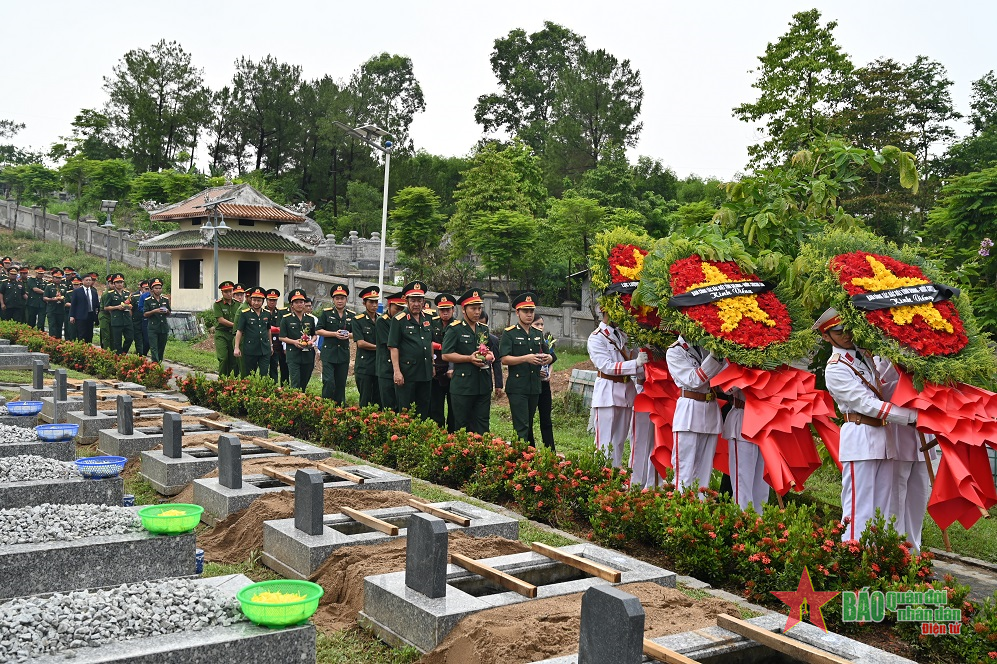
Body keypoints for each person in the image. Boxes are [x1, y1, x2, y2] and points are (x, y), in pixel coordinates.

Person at [816, 307, 916, 541]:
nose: (846, 335)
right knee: (858, 508)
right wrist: (910, 417)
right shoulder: (835, 367)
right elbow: (866, 404)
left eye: (848, 329)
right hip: (860, 436)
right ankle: (852, 555)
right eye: (838, 332)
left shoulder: (864, 355)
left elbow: (884, 384)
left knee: (882, 508)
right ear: (826, 336)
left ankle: (875, 555)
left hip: (883, 437)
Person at [666, 334, 725, 497]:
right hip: (689, 413)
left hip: (711, 412)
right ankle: (680, 508)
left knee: (704, 473)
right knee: (684, 471)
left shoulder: (707, 346)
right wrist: (715, 358)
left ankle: (699, 508)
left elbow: (721, 378)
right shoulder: (675, 351)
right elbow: (694, 380)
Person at [588, 306, 647, 467]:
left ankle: (614, 476)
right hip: (607, 393)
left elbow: (637, 363)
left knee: (619, 443)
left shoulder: (623, 335)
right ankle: (601, 477)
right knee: (604, 443)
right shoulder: (596, 337)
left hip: (626, 393)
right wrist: (635, 364)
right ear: (607, 311)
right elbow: (606, 366)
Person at [500, 293, 551, 444]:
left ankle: (525, 453)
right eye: (525, 311)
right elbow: (504, 359)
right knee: (521, 426)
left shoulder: (537, 333)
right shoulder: (510, 333)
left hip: (534, 385)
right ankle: (519, 455)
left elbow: (548, 353)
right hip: (517, 386)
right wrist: (525, 358)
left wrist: (548, 358)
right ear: (517, 312)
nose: (529, 314)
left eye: (531, 311)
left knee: (528, 424)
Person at [443, 289, 493, 434]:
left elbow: (485, 349)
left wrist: (489, 355)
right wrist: (468, 358)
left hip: (483, 383)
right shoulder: (455, 329)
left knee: (482, 424)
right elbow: (446, 354)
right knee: (462, 425)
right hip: (463, 385)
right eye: (473, 309)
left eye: (479, 308)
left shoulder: (483, 329)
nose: (477, 312)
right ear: (464, 310)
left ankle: (482, 448)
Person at [388, 281, 433, 418]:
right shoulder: (399, 320)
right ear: (406, 301)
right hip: (407, 373)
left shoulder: (428, 318)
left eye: (419, 300)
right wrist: (397, 371)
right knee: (405, 411)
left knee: (423, 409)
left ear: (424, 301)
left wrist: (432, 364)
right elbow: (393, 346)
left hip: (425, 372)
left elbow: (429, 342)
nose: (416, 304)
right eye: (413, 300)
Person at [723, 385, 768, 512]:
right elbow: (725, 388)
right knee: (743, 482)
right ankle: (743, 520)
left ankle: (759, 520)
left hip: (765, 420)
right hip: (743, 416)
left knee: (762, 484)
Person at [316, 283, 353, 403]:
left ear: (346, 299)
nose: (340, 301)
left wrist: (348, 335)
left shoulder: (351, 315)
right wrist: (334, 334)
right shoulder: (326, 313)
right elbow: (318, 330)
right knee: (328, 381)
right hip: (329, 353)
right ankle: (325, 405)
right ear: (333, 299)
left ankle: (339, 407)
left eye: (342, 298)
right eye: (337, 298)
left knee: (341, 383)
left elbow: (357, 333)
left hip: (343, 353)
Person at [279, 288, 318, 390]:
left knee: (304, 381)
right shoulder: (286, 319)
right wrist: (294, 342)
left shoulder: (310, 319)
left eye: (301, 302)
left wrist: (311, 341)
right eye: (296, 302)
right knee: (295, 382)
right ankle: (295, 399)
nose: (299, 304)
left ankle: (302, 397)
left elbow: (314, 334)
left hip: (307, 353)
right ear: (292, 305)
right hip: (293, 354)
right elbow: (282, 337)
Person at [430, 293, 458, 430]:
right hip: (436, 369)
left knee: (454, 406)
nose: (445, 312)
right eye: (442, 310)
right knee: (436, 406)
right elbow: (427, 342)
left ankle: (452, 433)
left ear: (453, 310)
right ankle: (438, 432)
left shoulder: (458, 325)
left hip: (453, 370)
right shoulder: (432, 323)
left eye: (448, 309)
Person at [531, 314, 557, 451]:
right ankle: (529, 450)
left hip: (544, 385)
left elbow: (551, 360)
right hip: (530, 384)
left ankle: (550, 451)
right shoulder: (528, 342)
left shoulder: (545, 343)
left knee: (546, 419)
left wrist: (549, 374)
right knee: (528, 420)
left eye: (542, 324)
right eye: (537, 324)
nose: (540, 327)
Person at [352, 286, 380, 407]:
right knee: (365, 399)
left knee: (378, 400)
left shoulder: (381, 319)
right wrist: (379, 348)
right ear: (364, 303)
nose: (374, 305)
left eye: (376, 302)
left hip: (379, 365)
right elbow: (361, 343)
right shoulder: (358, 320)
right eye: (371, 302)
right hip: (365, 366)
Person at [234, 286, 272, 377]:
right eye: (254, 300)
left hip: (264, 349)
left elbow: (268, 330)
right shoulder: (245, 313)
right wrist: (236, 347)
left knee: (264, 374)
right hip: (250, 349)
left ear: (263, 301)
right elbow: (239, 331)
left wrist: (271, 345)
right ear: (251, 300)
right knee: (250, 375)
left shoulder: (267, 313)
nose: (256, 303)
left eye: (259, 300)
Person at [376, 292, 405, 411]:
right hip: (386, 368)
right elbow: (391, 344)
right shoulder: (382, 321)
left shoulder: (404, 320)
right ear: (389, 306)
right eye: (397, 309)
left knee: (401, 405)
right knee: (389, 405)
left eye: (402, 309)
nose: (399, 312)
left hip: (402, 366)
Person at [212, 281, 240, 376]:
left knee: (234, 360)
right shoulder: (218, 304)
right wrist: (235, 325)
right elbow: (221, 320)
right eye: (226, 292)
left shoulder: (238, 304)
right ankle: (222, 379)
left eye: (230, 291)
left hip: (234, 335)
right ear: (222, 293)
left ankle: (230, 380)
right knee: (223, 358)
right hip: (222, 334)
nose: (228, 294)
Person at [101, 274, 133, 354]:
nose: (120, 284)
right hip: (117, 319)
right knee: (117, 341)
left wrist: (129, 307)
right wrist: (117, 307)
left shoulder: (127, 293)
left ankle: (124, 352)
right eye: (117, 282)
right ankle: (119, 355)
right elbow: (106, 307)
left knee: (130, 338)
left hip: (127, 319)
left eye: (121, 282)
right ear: (114, 284)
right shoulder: (110, 294)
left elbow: (130, 304)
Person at [142, 278, 171, 362]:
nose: (158, 290)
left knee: (161, 348)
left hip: (163, 327)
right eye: (156, 288)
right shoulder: (148, 300)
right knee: (154, 347)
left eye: (159, 288)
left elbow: (169, 313)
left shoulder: (165, 299)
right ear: (152, 289)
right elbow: (145, 314)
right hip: (153, 327)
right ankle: (155, 364)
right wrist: (154, 311)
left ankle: (159, 363)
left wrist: (167, 311)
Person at [265, 289, 289, 384]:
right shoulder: (263, 312)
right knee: (268, 366)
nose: (272, 302)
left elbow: (281, 328)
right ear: (266, 300)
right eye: (270, 300)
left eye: (274, 300)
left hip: (278, 342)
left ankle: (281, 385)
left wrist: (273, 328)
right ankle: (269, 385)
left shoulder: (280, 313)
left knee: (280, 365)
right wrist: (274, 329)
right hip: (266, 341)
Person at [478, 311, 504, 395]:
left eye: (483, 324)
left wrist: (498, 385)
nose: (480, 328)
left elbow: (497, 362)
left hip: (486, 379)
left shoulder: (493, 340)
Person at [69, 273, 100, 343]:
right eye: (86, 280)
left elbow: (96, 304)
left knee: (89, 334)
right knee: (81, 334)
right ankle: (82, 347)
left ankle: (89, 347)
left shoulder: (94, 292)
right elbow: (73, 304)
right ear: (82, 281)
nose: (88, 281)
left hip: (91, 315)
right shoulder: (77, 291)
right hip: (81, 316)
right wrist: (72, 316)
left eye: (90, 280)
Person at [42, 269, 70, 338]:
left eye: (59, 278)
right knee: (52, 326)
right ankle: (52, 340)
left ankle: (58, 340)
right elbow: (44, 298)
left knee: (59, 326)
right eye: (56, 278)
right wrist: (52, 299)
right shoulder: (49, 286)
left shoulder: (64, 287)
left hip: (60, 309)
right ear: (53, 278)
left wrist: (62, 299)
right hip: (51, 309)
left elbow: (67, 298)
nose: (58, 279)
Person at [127, 280, 150, 355]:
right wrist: (131, 319)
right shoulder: (134, 297)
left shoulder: (151, 297)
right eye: (146, 289)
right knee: (138, 340)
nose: (147, 290)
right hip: (137, 321)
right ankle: (140, 356)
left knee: (147, 341)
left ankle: (143, 354)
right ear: (141, 288)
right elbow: (130, 308)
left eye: (148, 288)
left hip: (147, 321)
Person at [99, 274, 113, 349]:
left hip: (113, 316)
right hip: (105, 315)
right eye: (111, 283)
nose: (113, 285)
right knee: (106, 336)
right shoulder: (106, 294)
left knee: (113, 336)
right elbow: (106, 307)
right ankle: (106, 351)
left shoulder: (116, 293)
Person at [64, 276, 80, 341]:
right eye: (74, 285)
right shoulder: (69, 293)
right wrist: (74, 305)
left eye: (77, 285)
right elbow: (66, 303)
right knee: (71, 331)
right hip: (70, 313)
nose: (76, 286)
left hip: (80, 314)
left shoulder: (83, 293)